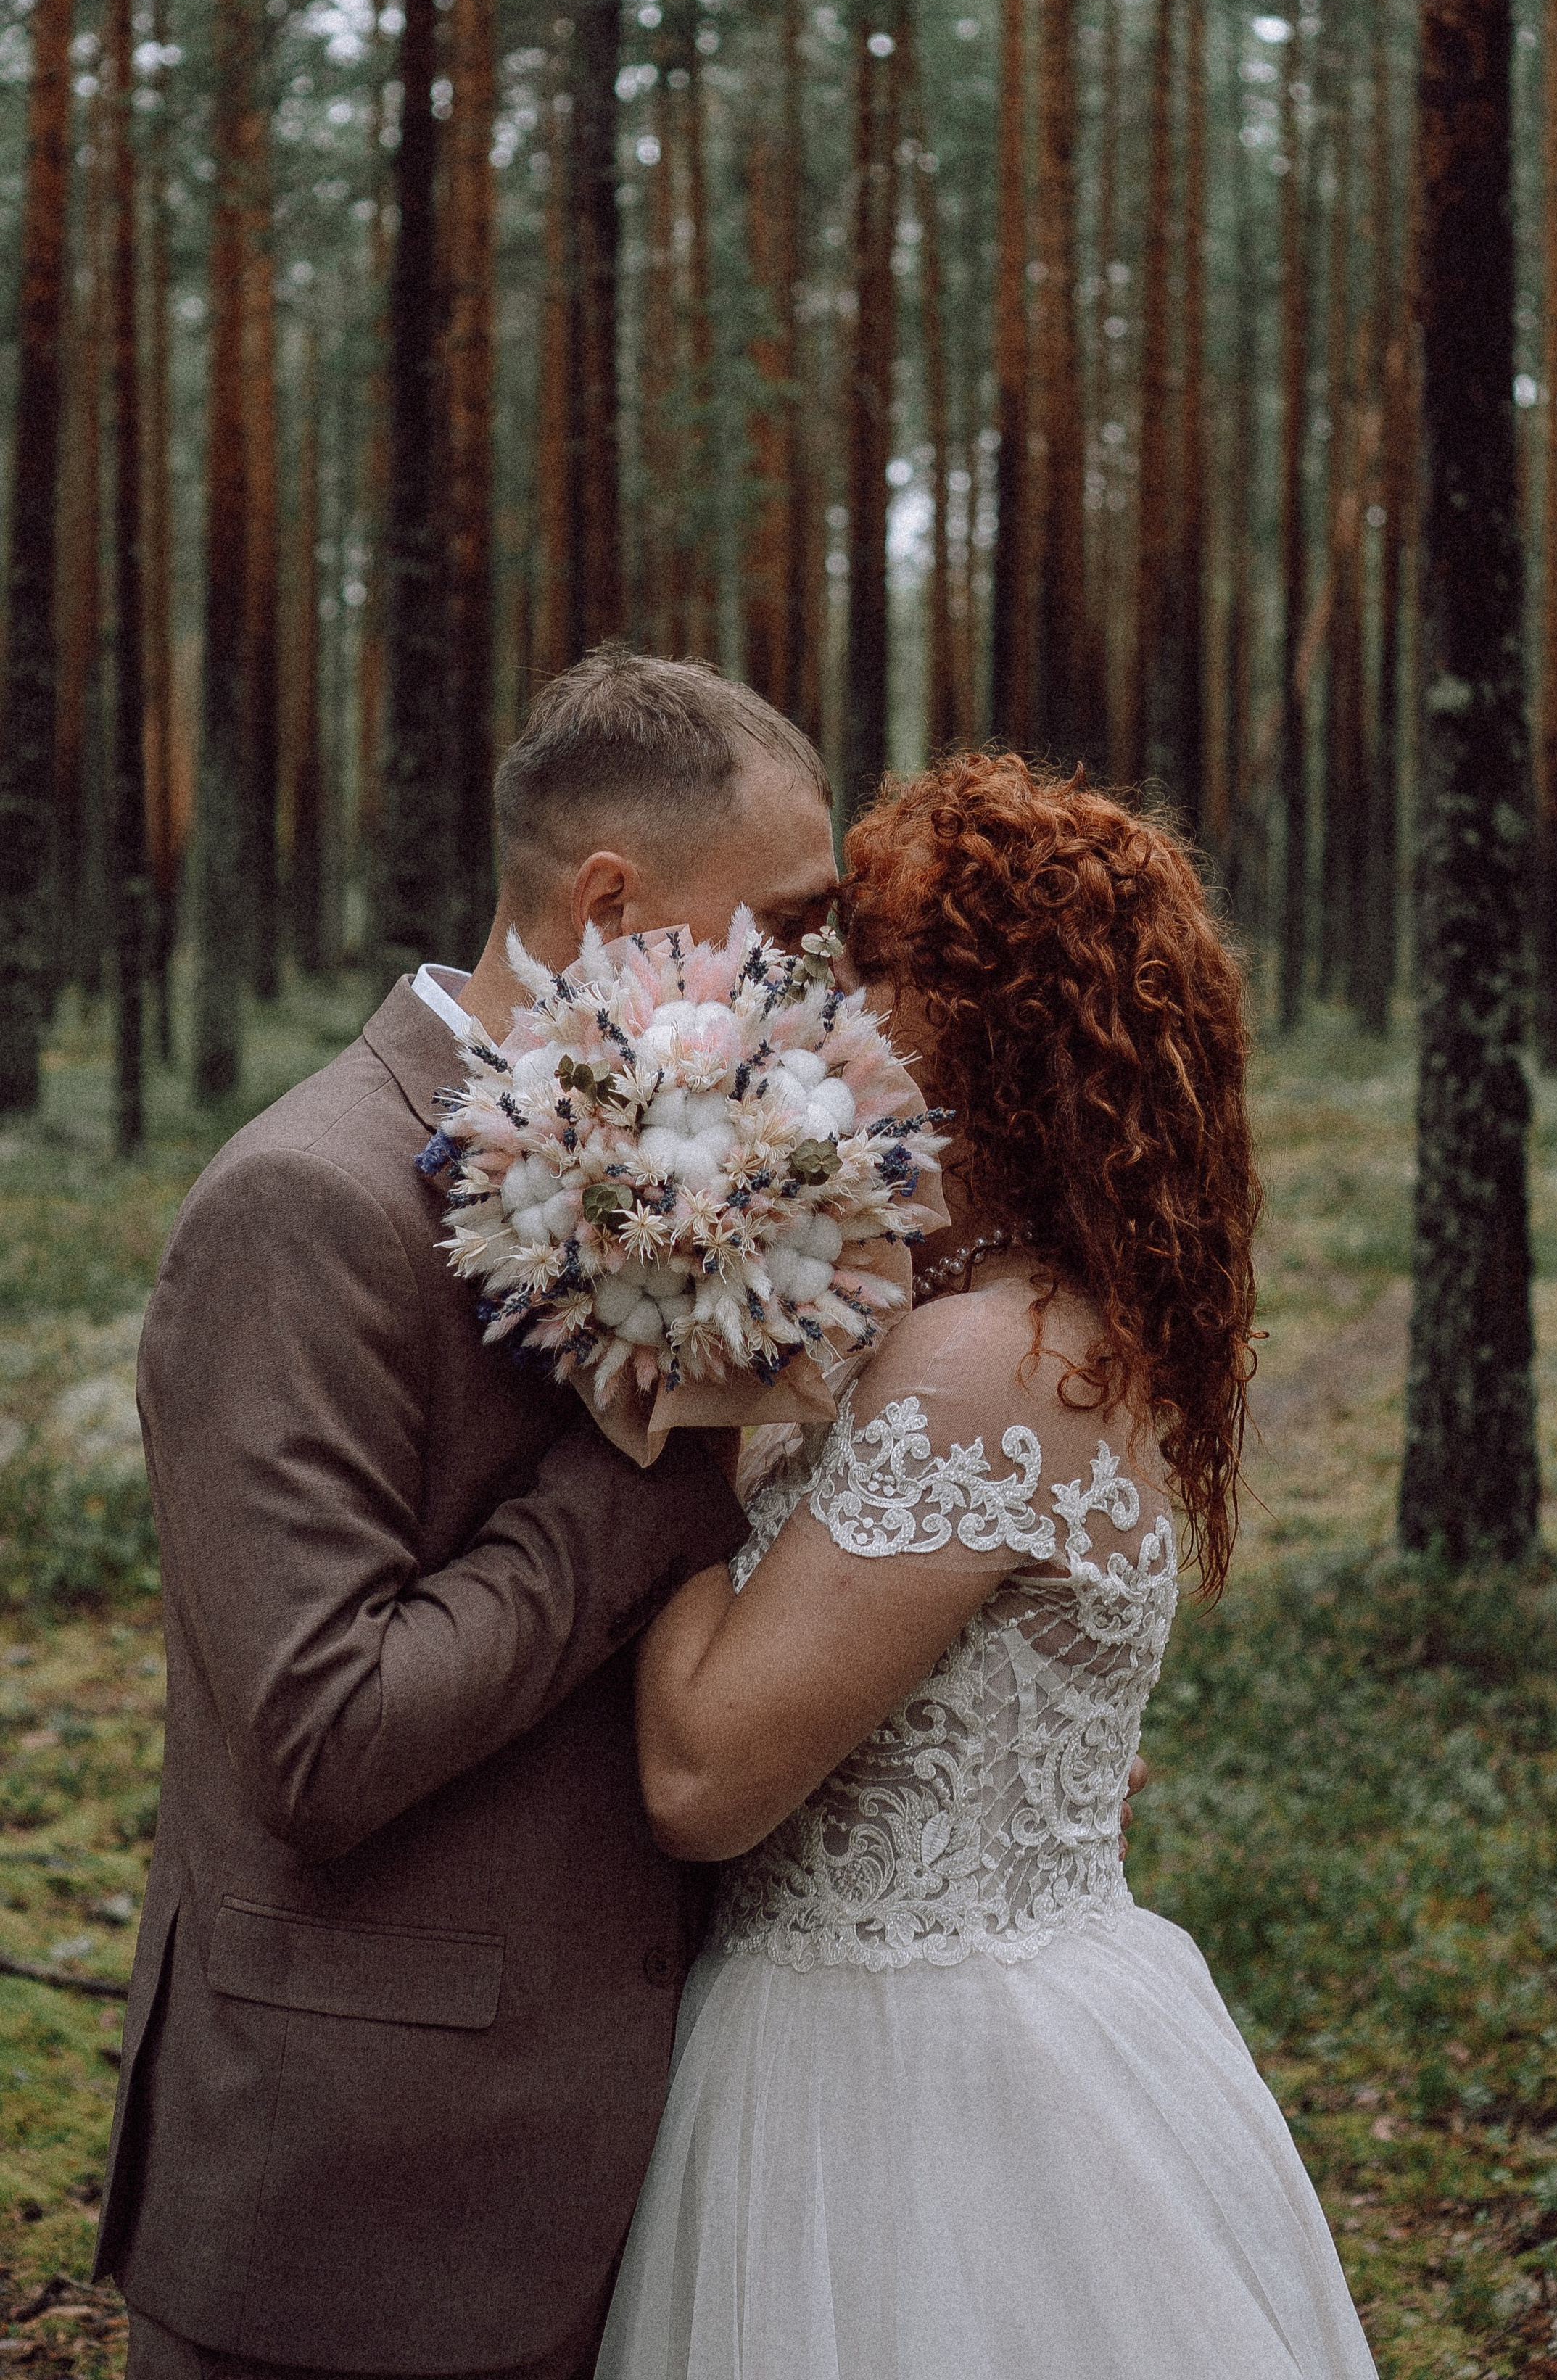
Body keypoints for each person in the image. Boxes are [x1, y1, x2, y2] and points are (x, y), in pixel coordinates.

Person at [98, 650, 846, 2380]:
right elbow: (322, 1735)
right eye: (789, 924)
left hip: (643, 2178)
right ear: (609, 907)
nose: (819, 977)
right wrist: (652, 1467)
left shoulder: (704, 1171)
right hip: (357, 2220)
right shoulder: (307, 1206)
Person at [600, 751, 1379, 2380]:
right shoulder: (1005, 1326)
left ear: (1001, 1022)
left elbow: (697, 1780)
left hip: (906, 2085)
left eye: (881, 964)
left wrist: (674, 1428)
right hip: (951, 2016)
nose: (828, 1001)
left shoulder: (985, 1359)